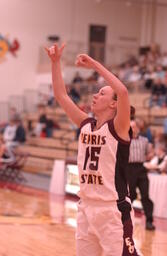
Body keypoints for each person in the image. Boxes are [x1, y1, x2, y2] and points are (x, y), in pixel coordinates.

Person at [45, 43, 140, 255]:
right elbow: (61, 95)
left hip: (112, 211)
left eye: (102, 93)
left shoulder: (118, 128)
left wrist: (95, 65)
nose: (95, 96)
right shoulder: (86, 124)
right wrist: (55, 63)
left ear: (113, 104)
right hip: (86, 208)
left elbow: (122, 91)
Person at [126, 120, 155, 231]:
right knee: (130, 196)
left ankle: (149, 221)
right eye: (130, 127)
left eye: (133, 127)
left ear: (138, 128)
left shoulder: (145, 140)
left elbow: (150, 153)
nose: (131, 129)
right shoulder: (125, 140)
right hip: (129, 169)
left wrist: (150, 154)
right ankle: (126, 221)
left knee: (145, 196)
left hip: (141, 169)